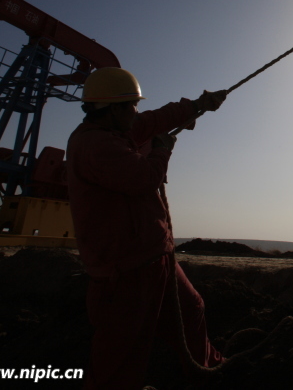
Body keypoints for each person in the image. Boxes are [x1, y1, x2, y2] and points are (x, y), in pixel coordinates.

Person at [66, 66, 228, 390]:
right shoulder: (96, 146)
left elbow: (153, 121)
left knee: (191, 309)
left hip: (155, 258)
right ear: (112, 109)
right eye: (131, 105)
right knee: (122, 356)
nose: (136, 111)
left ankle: (209, 371)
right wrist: (163, 150)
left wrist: (197, 104)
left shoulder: (118, 131)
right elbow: (143, 179)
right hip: (124, 271)